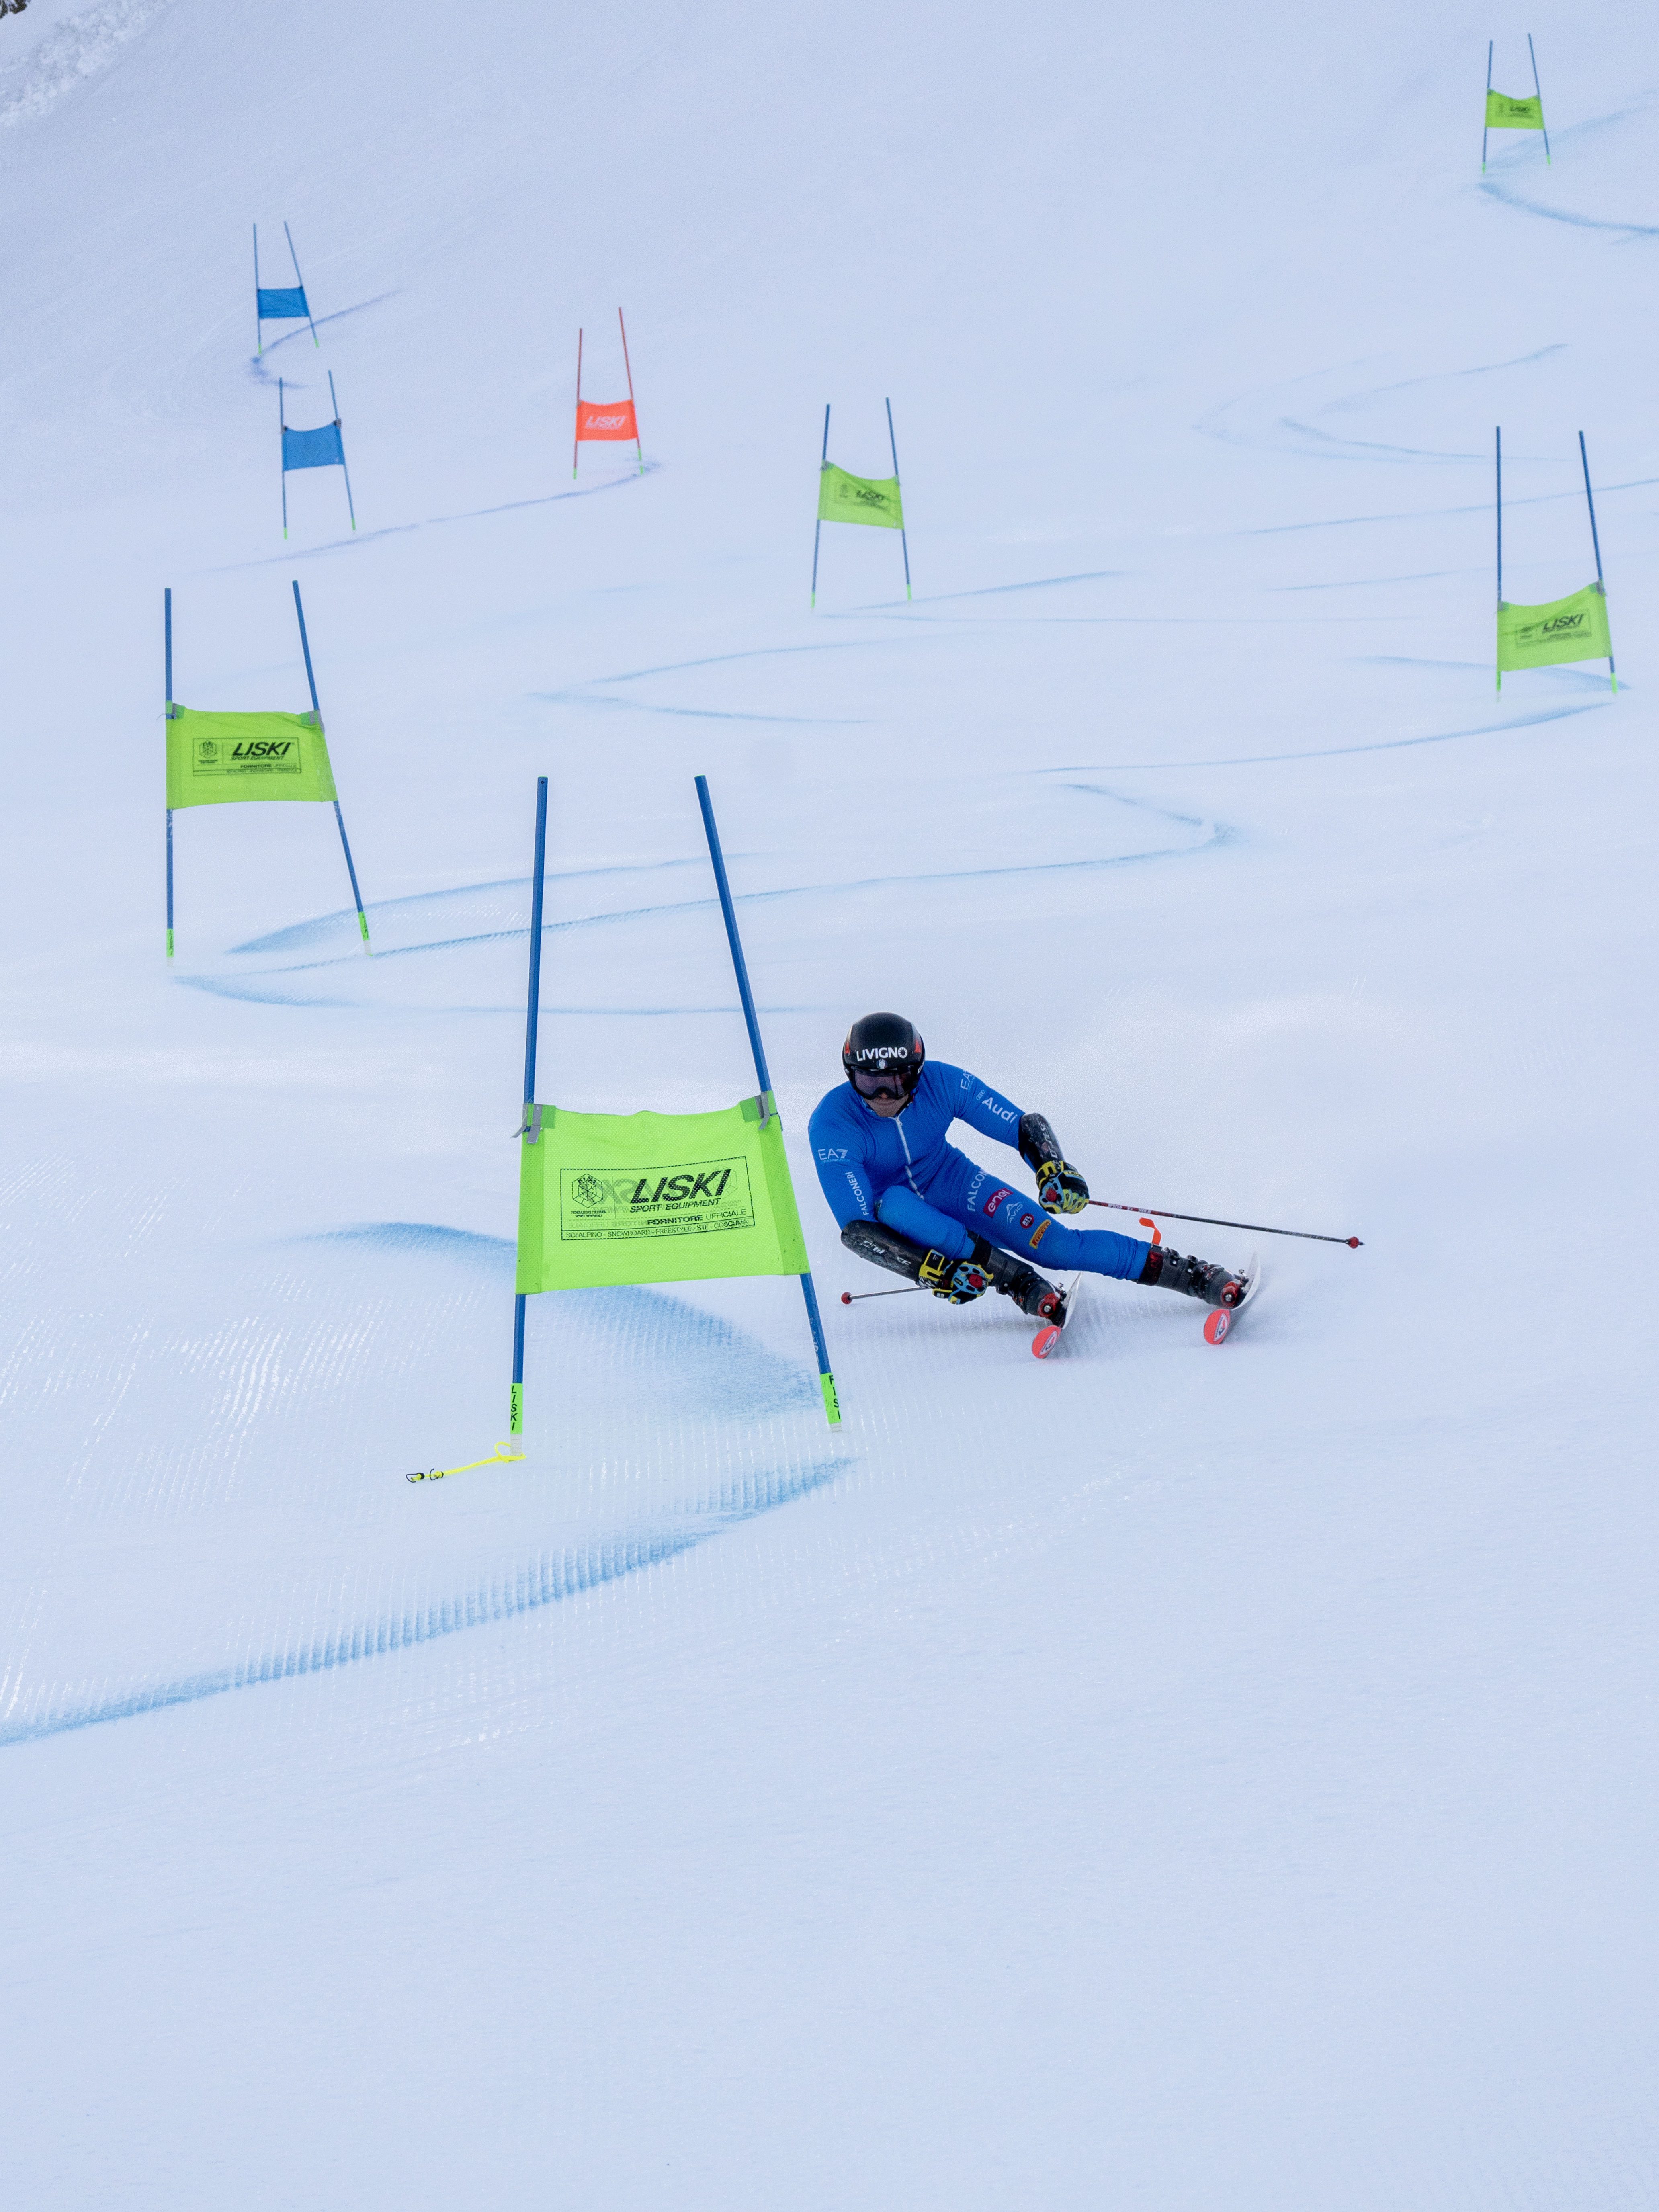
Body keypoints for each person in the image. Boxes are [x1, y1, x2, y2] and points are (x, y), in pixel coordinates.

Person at [808, 1012, 1249, 1328]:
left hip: (955, 1182)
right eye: (870, 1081)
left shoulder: (944, 1081)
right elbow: (860, 1228)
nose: (885, 1093)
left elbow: (1020, 1124)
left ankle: (1193, 1274)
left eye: (899, 1079)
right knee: (896, 1205)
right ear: (851, 1074)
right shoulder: (832, 1123)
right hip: (903, 1217)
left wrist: (1052, 1167)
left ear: (919, 1072)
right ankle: (1017, 1281)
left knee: (1059, 1247)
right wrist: (930, 1269)